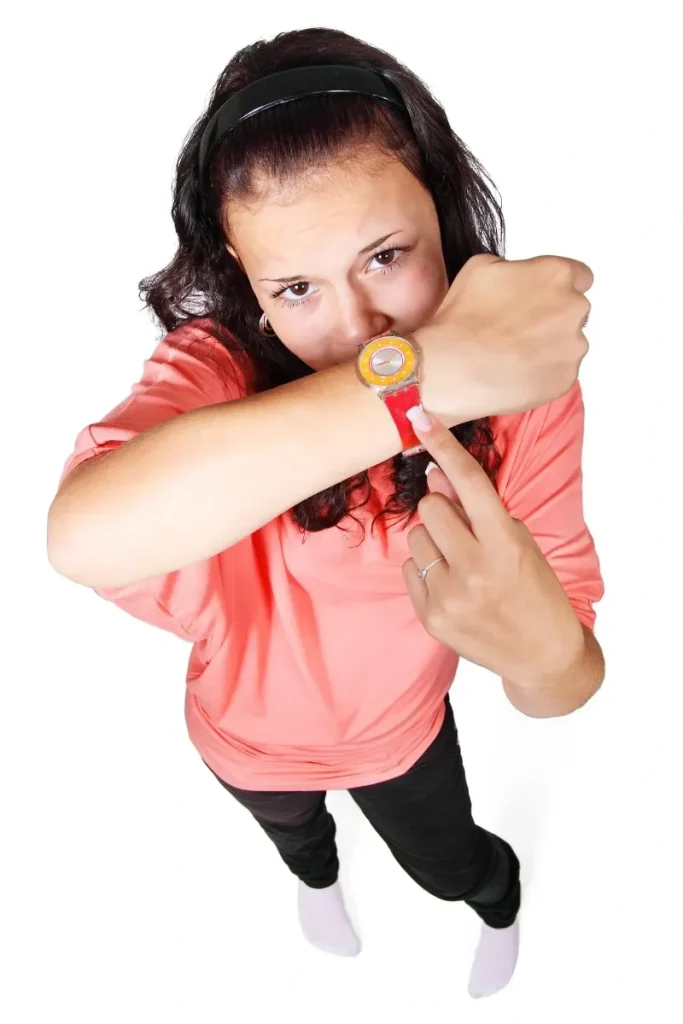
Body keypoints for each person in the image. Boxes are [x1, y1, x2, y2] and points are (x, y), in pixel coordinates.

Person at [47, 28, 605, 999]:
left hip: (402, 735)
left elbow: (562, 683)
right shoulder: (218, 369)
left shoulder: (522, 395)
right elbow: (83, 536)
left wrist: (541, 650)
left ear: (439, 205)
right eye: (294, 287)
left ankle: (496, 899)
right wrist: (418, 384)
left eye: (384, 255)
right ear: (247, 280)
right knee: (296, 841)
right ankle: (316, 880)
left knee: (449, 864)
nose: (355, 333)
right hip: (239, 735)